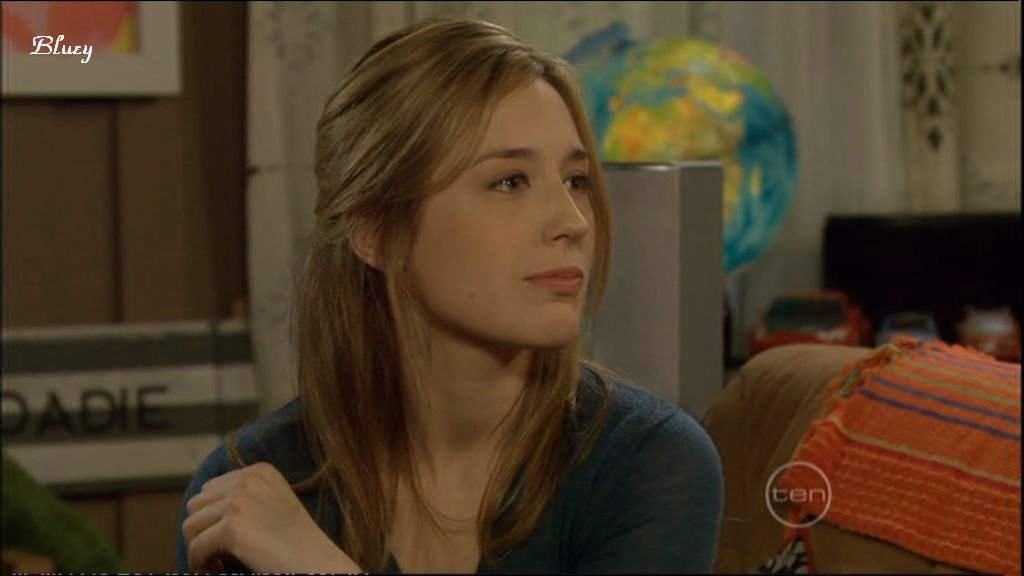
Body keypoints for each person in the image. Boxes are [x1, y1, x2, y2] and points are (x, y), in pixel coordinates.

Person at [176, 17, 723, 575]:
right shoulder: (247, 495)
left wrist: (313, 563)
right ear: (375, 230)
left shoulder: (650, 464)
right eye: (509, 181)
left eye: (576, 180)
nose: (573, 221)